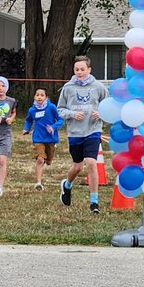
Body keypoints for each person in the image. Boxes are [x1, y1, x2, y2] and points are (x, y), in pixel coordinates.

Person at [56, 54, 109, 213]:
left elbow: (108, 107)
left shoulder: (99, 87)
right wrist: (72, 114)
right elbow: (60, 110)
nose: (79, 72)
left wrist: (101, 114)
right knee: (78, 167)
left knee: (91, 163)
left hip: (93, 130)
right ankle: (67, 185)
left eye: (82, 69)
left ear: (89, 69)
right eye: (77, 69)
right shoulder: (68, 88)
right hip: (75, 132)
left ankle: (94, 202)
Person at [22, 87, 64, 190]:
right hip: (38, 138)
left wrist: (53, 127)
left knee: (48, 160)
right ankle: (38, 183)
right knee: (40, 160)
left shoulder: (51, 107)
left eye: (42, 95)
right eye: (37, 95)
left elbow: (60, 120)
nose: (39, 97)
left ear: (46, 97)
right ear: (34, 97)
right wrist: (26, 128)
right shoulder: (32, 110)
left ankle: (46, 160)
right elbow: (28, 121)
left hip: (50, 138)